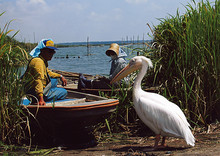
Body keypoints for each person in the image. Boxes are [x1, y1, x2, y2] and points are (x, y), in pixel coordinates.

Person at [22, 39, 67, 105]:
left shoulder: (41, 60)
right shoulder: (38, 62)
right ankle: (41, 98)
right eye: (50, 51)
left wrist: (60, 76)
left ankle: (47, 93)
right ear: (42, 51)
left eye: (53, 52)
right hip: (34, 92)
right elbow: (38, 80)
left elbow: (48, 72)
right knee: (64, 92)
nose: (52, 54)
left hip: (32, 89)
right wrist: (40, 99)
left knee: (54, 81)